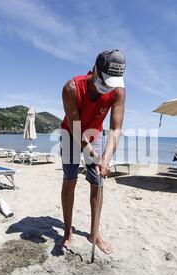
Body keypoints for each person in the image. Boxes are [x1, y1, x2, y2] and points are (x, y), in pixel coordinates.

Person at [59, 49, 126, 255]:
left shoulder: (118, 91)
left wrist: (105, 160)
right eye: (105, 82)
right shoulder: (71, 88)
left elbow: (116, 129)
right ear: (95, 70)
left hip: (94, 134)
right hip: (71, 132)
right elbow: (76, 128)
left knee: (97, 182)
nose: (108, 88)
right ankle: (68, 232)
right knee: (70, 180)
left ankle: (94, 233)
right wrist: (91, 154)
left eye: (112, 84)